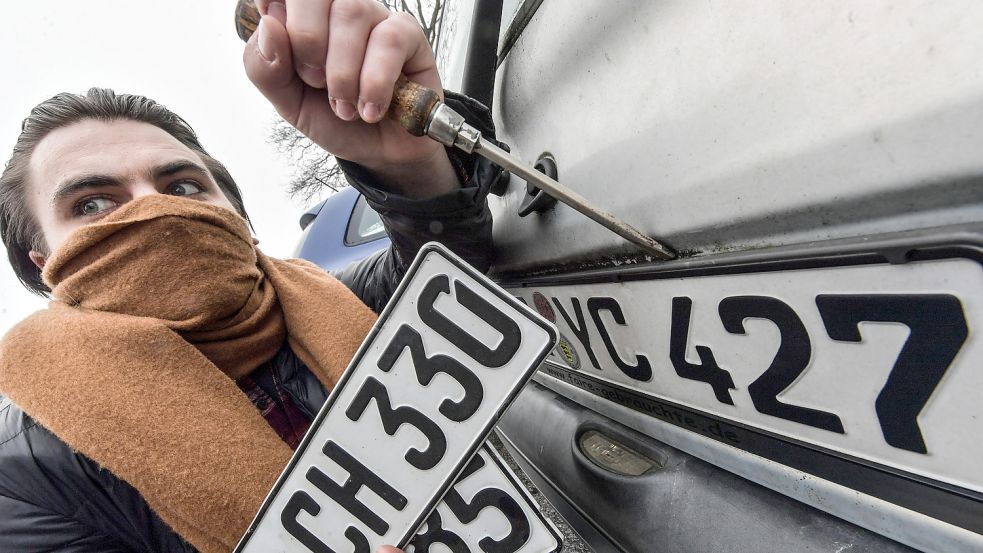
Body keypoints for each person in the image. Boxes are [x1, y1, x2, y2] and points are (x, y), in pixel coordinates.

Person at [0, 1, 501, 551]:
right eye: (92, 204)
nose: (155, 211)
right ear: (42, 263)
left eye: (184, 188)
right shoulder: (27, 471)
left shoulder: (344, 299)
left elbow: (450, 274)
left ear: (238, 219)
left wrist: (410, 163)